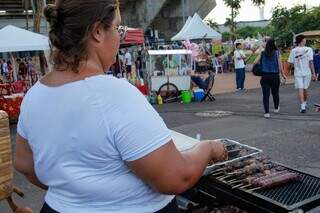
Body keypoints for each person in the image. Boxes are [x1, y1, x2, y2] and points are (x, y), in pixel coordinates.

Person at [14, 1, 227, 213]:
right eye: (117, 28)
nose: (119, 37)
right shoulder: (114, 94)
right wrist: (208, 148)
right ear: (97, 32)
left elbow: (24, 163)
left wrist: (74, 189)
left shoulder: (34, 95)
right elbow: (176, 178)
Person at [255, 39, 286, 118]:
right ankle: (276, 108)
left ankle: (267, 113)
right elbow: (280, 66)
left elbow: (255, 62)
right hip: (275, 76)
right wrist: (283, 75)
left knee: (266, 95)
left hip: (265, 76)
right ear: (273, 44)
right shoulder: (277, 53)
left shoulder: (262, 53)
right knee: (275, 93)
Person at [288, 35, 317, 113]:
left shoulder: (293, 50)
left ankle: (303, 105)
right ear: (302, 40)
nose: (305, 40)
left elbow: (290, 63)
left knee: (301, 89)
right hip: (307, 72)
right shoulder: (309, 49)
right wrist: (314, 73)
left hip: (298, 72)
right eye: (305, 39)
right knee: (304, 88)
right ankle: (303, 104)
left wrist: (295, 66)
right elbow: (311, 62)